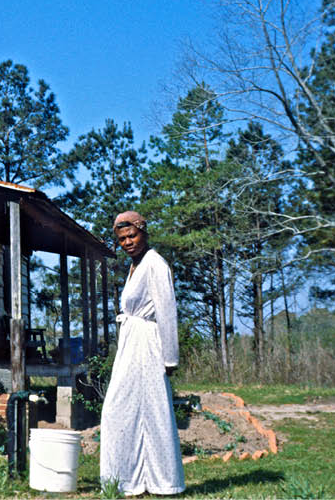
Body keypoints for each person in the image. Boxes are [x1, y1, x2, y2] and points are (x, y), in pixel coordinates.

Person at [99, 211, 185, 496]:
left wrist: (169, 358)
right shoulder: (136, 266)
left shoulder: (155, 265)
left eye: (132, 235)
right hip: (131, 342)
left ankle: (163, 480)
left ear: (144, 232)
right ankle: (129, 480)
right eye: (122, 239)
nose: (127, 242)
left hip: (148, 344)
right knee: (123, 411)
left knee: (152, 411)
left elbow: (167, 313)